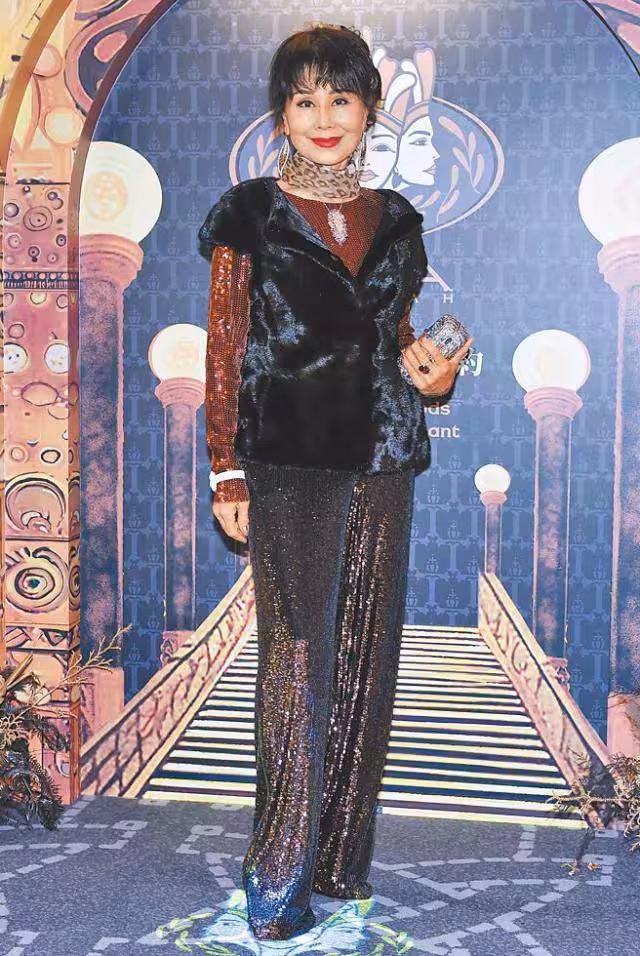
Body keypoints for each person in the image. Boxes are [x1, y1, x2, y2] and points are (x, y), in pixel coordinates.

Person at [198, 24, 472, 942]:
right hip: (284, 456)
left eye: (341, 99)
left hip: (384, 453)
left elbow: (401, 342)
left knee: (365, 658)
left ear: (369, 111)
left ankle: (338, 864)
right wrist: (226, 465)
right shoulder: (249, 212)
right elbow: (227, 346)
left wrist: (437, 374)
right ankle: (277, 873)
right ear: (281, 114)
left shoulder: (396, 219)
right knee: (295, 659)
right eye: (304, 99)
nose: (323, 116)